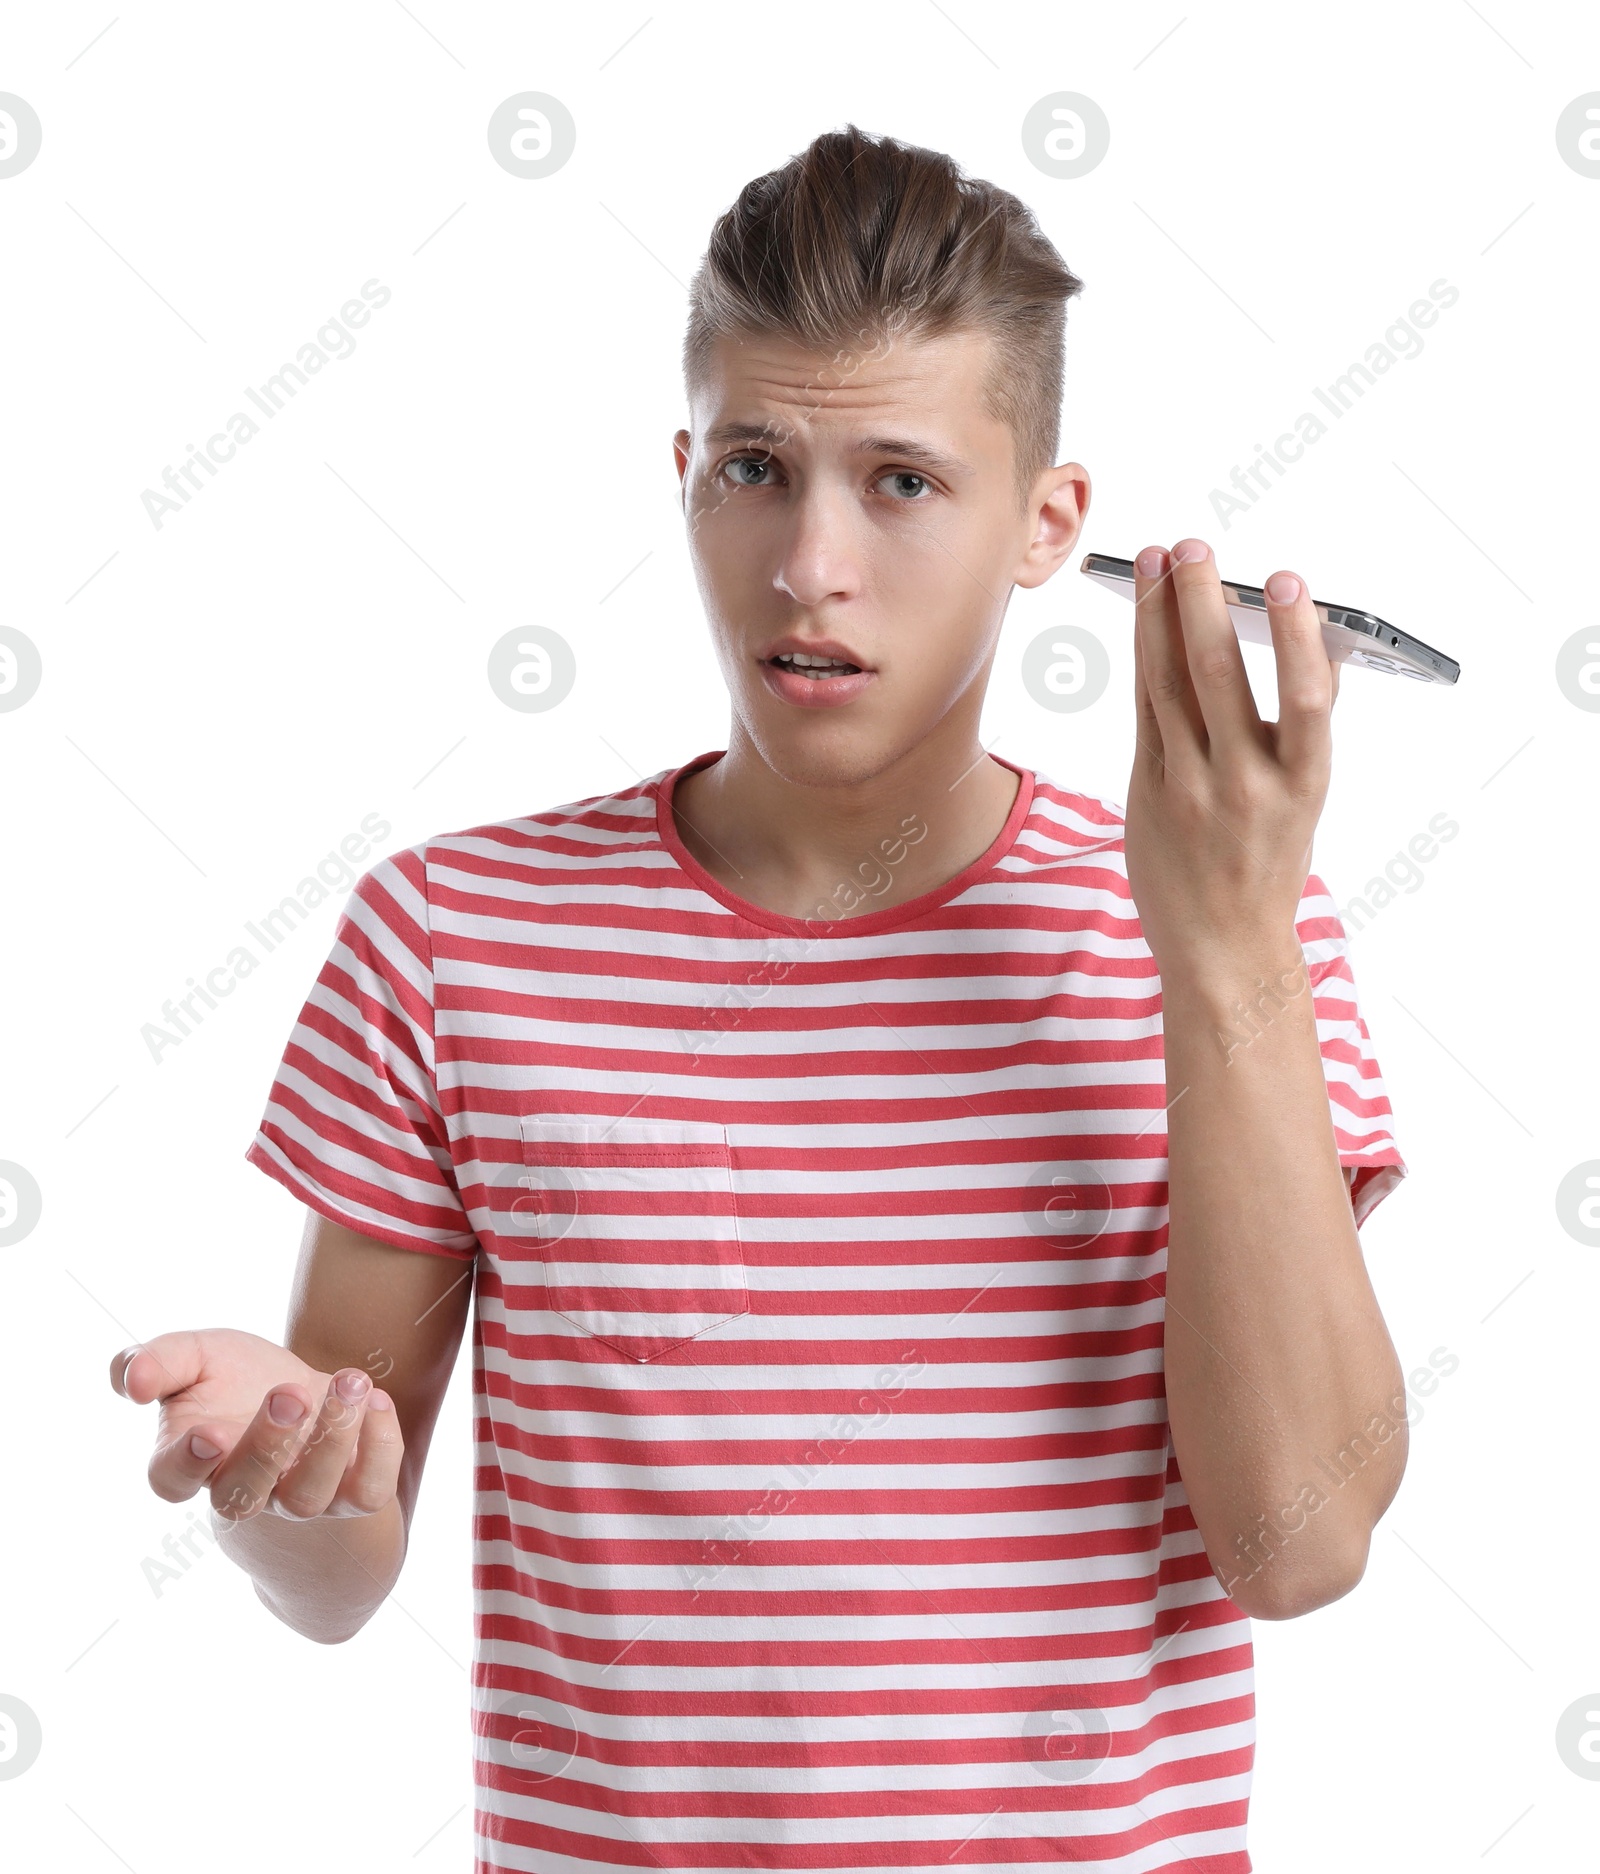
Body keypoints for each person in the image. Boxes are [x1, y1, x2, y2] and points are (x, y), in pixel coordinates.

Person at [111, 123, 1409, 1873]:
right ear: (684, 471)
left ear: (1051, 523)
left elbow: (1297, 1547)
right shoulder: (451, 935)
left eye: (902, 480)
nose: (810, 563)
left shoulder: (1241, 922)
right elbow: (344, 1568)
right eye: (754, 467)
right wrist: (285, 1489)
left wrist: (1225, 952)